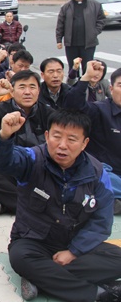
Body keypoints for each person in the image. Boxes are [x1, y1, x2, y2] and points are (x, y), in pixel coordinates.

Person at [0, 109, 121, 302]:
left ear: (84, 144)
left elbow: (102, 221)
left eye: (72, 139)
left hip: (76, 243)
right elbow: (0, 162)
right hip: (34, 241)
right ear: (47, 136)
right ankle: (100, 294)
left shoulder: (97, 173)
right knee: (20, 258)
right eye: (57, 136)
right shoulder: (33, 159)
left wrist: (74, 251)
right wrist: (5, 135)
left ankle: (41, 279)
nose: (62, 146)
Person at [0, 71, 55, 215]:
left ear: (39, 90)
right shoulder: (1, 109)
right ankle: (35, 206)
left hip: (40, 168)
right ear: (12, 91)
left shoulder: (48, 113)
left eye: (32, 87)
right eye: (22, 87)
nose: (27, 92)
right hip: (11, 169)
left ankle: (12, 203)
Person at [65, 62, 121, 214]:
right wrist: (86, 77)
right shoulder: (100, 109)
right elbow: (73, 106)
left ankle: (109, 201)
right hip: (105, 171)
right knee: (102, 177)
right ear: (111, 88)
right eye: (120, 85)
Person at [56, 0, 106, 73]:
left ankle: (86, 86)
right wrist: (59, 40)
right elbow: (60, 24)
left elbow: (101, 20)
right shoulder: (66, 7)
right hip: (71, 43)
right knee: (73, 67)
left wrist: (95, 32)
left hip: (88, 43)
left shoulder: (95, 5)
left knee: (87, 68)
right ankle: (73, 85)